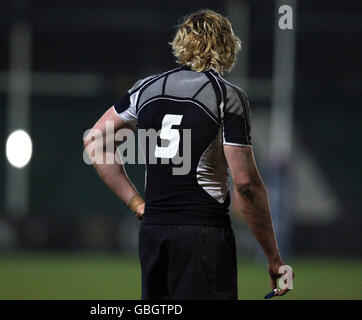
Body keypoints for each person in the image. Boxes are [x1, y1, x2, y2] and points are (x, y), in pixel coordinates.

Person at [83, 9, 292, 300]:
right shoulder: (227, 96)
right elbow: (246, 184)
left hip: (153, 232)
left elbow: (94, 141)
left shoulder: (145, 88)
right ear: (226, 46)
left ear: (182, 44)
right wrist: (273, 257)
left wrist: (136, 203)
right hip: (202, 233)